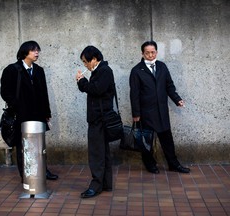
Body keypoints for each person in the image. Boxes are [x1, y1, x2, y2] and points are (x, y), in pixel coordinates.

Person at [0, 40, 58, 182]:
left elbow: (44, 93)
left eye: (38, 50)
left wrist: (47, 113)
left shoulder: (39, 70)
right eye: (33, 50)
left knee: (40, 145)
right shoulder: (12, 70)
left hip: (37, 114)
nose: (37, 52)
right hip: (21, 115)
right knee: (23, 146)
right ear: (25, 52)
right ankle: (26, 175)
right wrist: (16, 105)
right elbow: (5, 92)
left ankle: (43, 171)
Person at [129, 40, 190, 174]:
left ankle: (173, 164)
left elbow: (169, 85)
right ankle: (150, 164)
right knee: (147, 141)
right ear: (142, 54)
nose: (150, 55)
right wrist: (136, 114)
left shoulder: (162, 67)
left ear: (156, 52)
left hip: (161, 111)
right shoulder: (136, 71)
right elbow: (134, 94)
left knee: (167, 140)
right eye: (147, 53)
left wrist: (177, 99)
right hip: (146, 112)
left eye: (153, 52)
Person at [76, 46, 115, 198]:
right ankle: (105, 184)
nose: (85, 65)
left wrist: (82, 81)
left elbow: (96, 89)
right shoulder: (99, 71)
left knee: (96, 153)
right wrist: (82, 82)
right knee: (102, 152)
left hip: (99, 119)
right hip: (99, 118)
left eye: (86, 62)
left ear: (94, 59)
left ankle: (96, 185)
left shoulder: (104, 71)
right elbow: (92, 89)